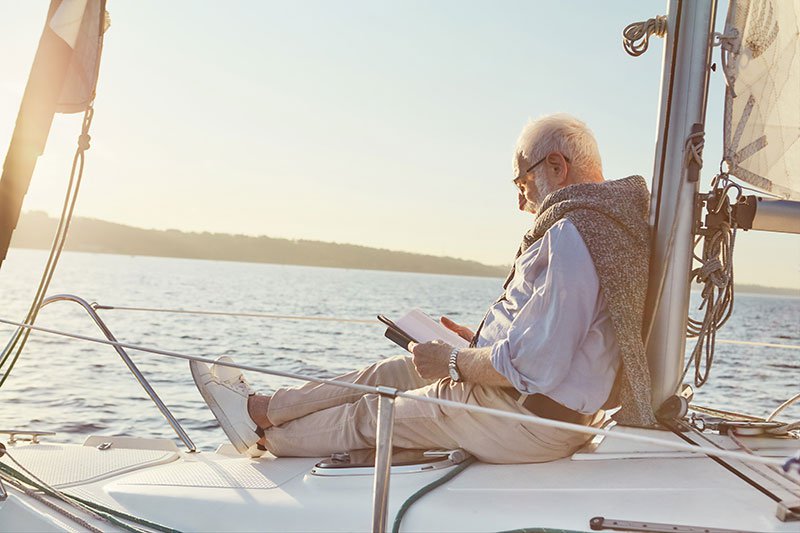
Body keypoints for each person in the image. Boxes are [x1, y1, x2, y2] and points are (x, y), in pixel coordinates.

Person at [191, 113, 657, 464]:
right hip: (529, 405)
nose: (520, 198)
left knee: (375, 414)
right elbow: (558, 339)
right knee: (388, 373)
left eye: (521, 180)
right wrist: (477, 343)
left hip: (526, 419)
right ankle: (261, 410)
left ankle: (266, 441)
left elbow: (539, 365)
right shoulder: (599, 225)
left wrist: (453, 361)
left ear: (555, 166)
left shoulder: (575, 234)